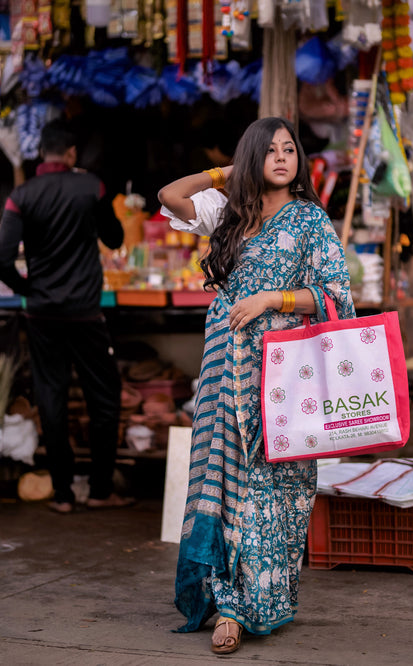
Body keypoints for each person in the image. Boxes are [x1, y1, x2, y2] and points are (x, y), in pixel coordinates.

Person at [158, 116, 356, 655]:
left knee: (276, 492)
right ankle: (228, 608)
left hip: (286, 377)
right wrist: (226, 173)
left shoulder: (311, 221)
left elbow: (339, 297)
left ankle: (262, 600)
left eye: (289, 149)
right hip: (226, 369)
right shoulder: (230, 213)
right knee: (225, 488)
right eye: (268, 151)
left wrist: (273, 299)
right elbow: (170, 195)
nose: (281, 158)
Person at [0, 119, 133, 514]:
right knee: (104, 400)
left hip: (41, 315)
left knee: (51, 397)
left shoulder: (21, 194)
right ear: (72, 154)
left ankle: (60, 494)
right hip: (85, 314)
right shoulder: (91, 186)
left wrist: (27, 291)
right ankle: (99, 489)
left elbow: (3, 259)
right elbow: (114, 238)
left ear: (42, 154)